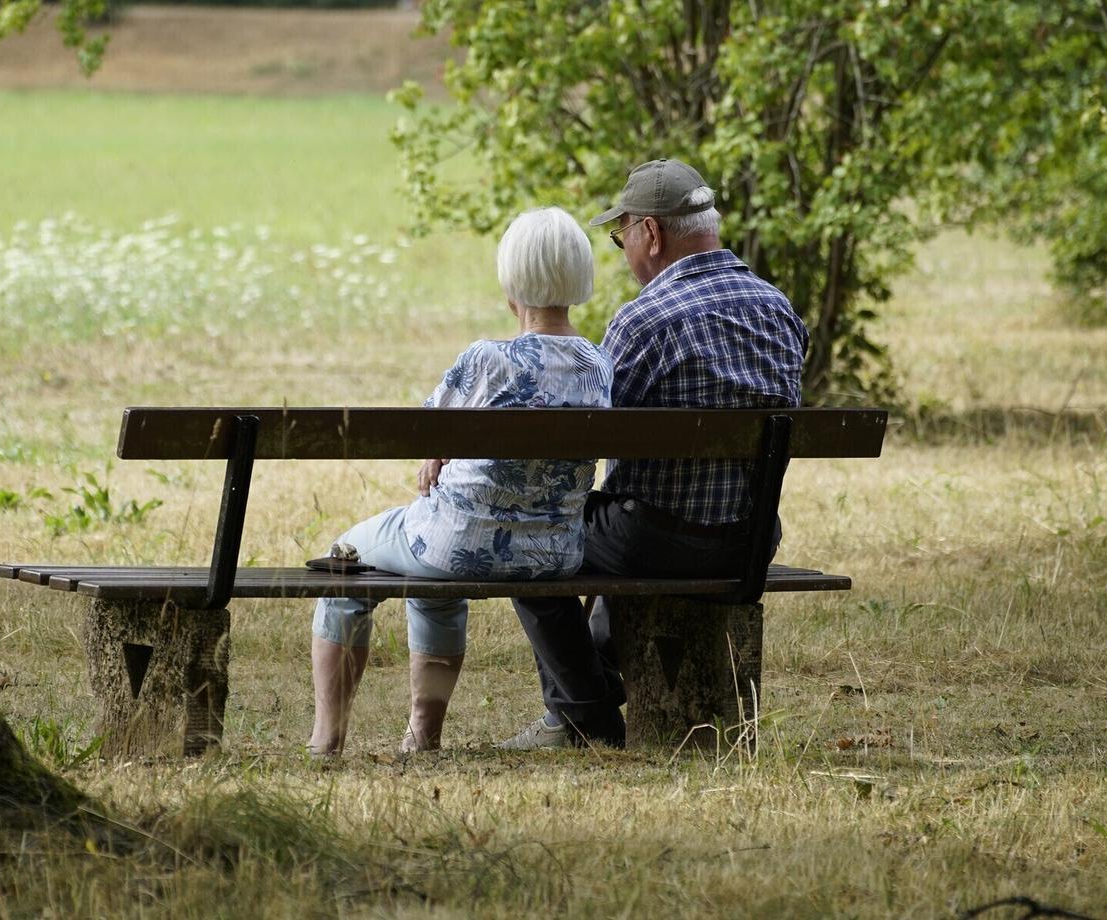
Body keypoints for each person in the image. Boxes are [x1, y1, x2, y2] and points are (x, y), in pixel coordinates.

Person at [499, 158, 810, 750]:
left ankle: (585, 715)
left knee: (528, 534)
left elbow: (589, 440)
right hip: (750, 540)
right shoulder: (780, 311)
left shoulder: (643, 321)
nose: (623, 252)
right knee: (623, 514)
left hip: (657, 542)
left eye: (621, 238)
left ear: (651, 233)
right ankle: (592, 687)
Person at [308, 206, 614, 756]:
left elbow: (423, 432)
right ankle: (422, 736)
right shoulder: (600, 365)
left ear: (510, 281)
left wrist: (438, 452)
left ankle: (327, 738)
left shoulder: (487, 360)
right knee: (432, 574)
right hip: (553, 554)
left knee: (345, 559)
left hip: (456, 545)